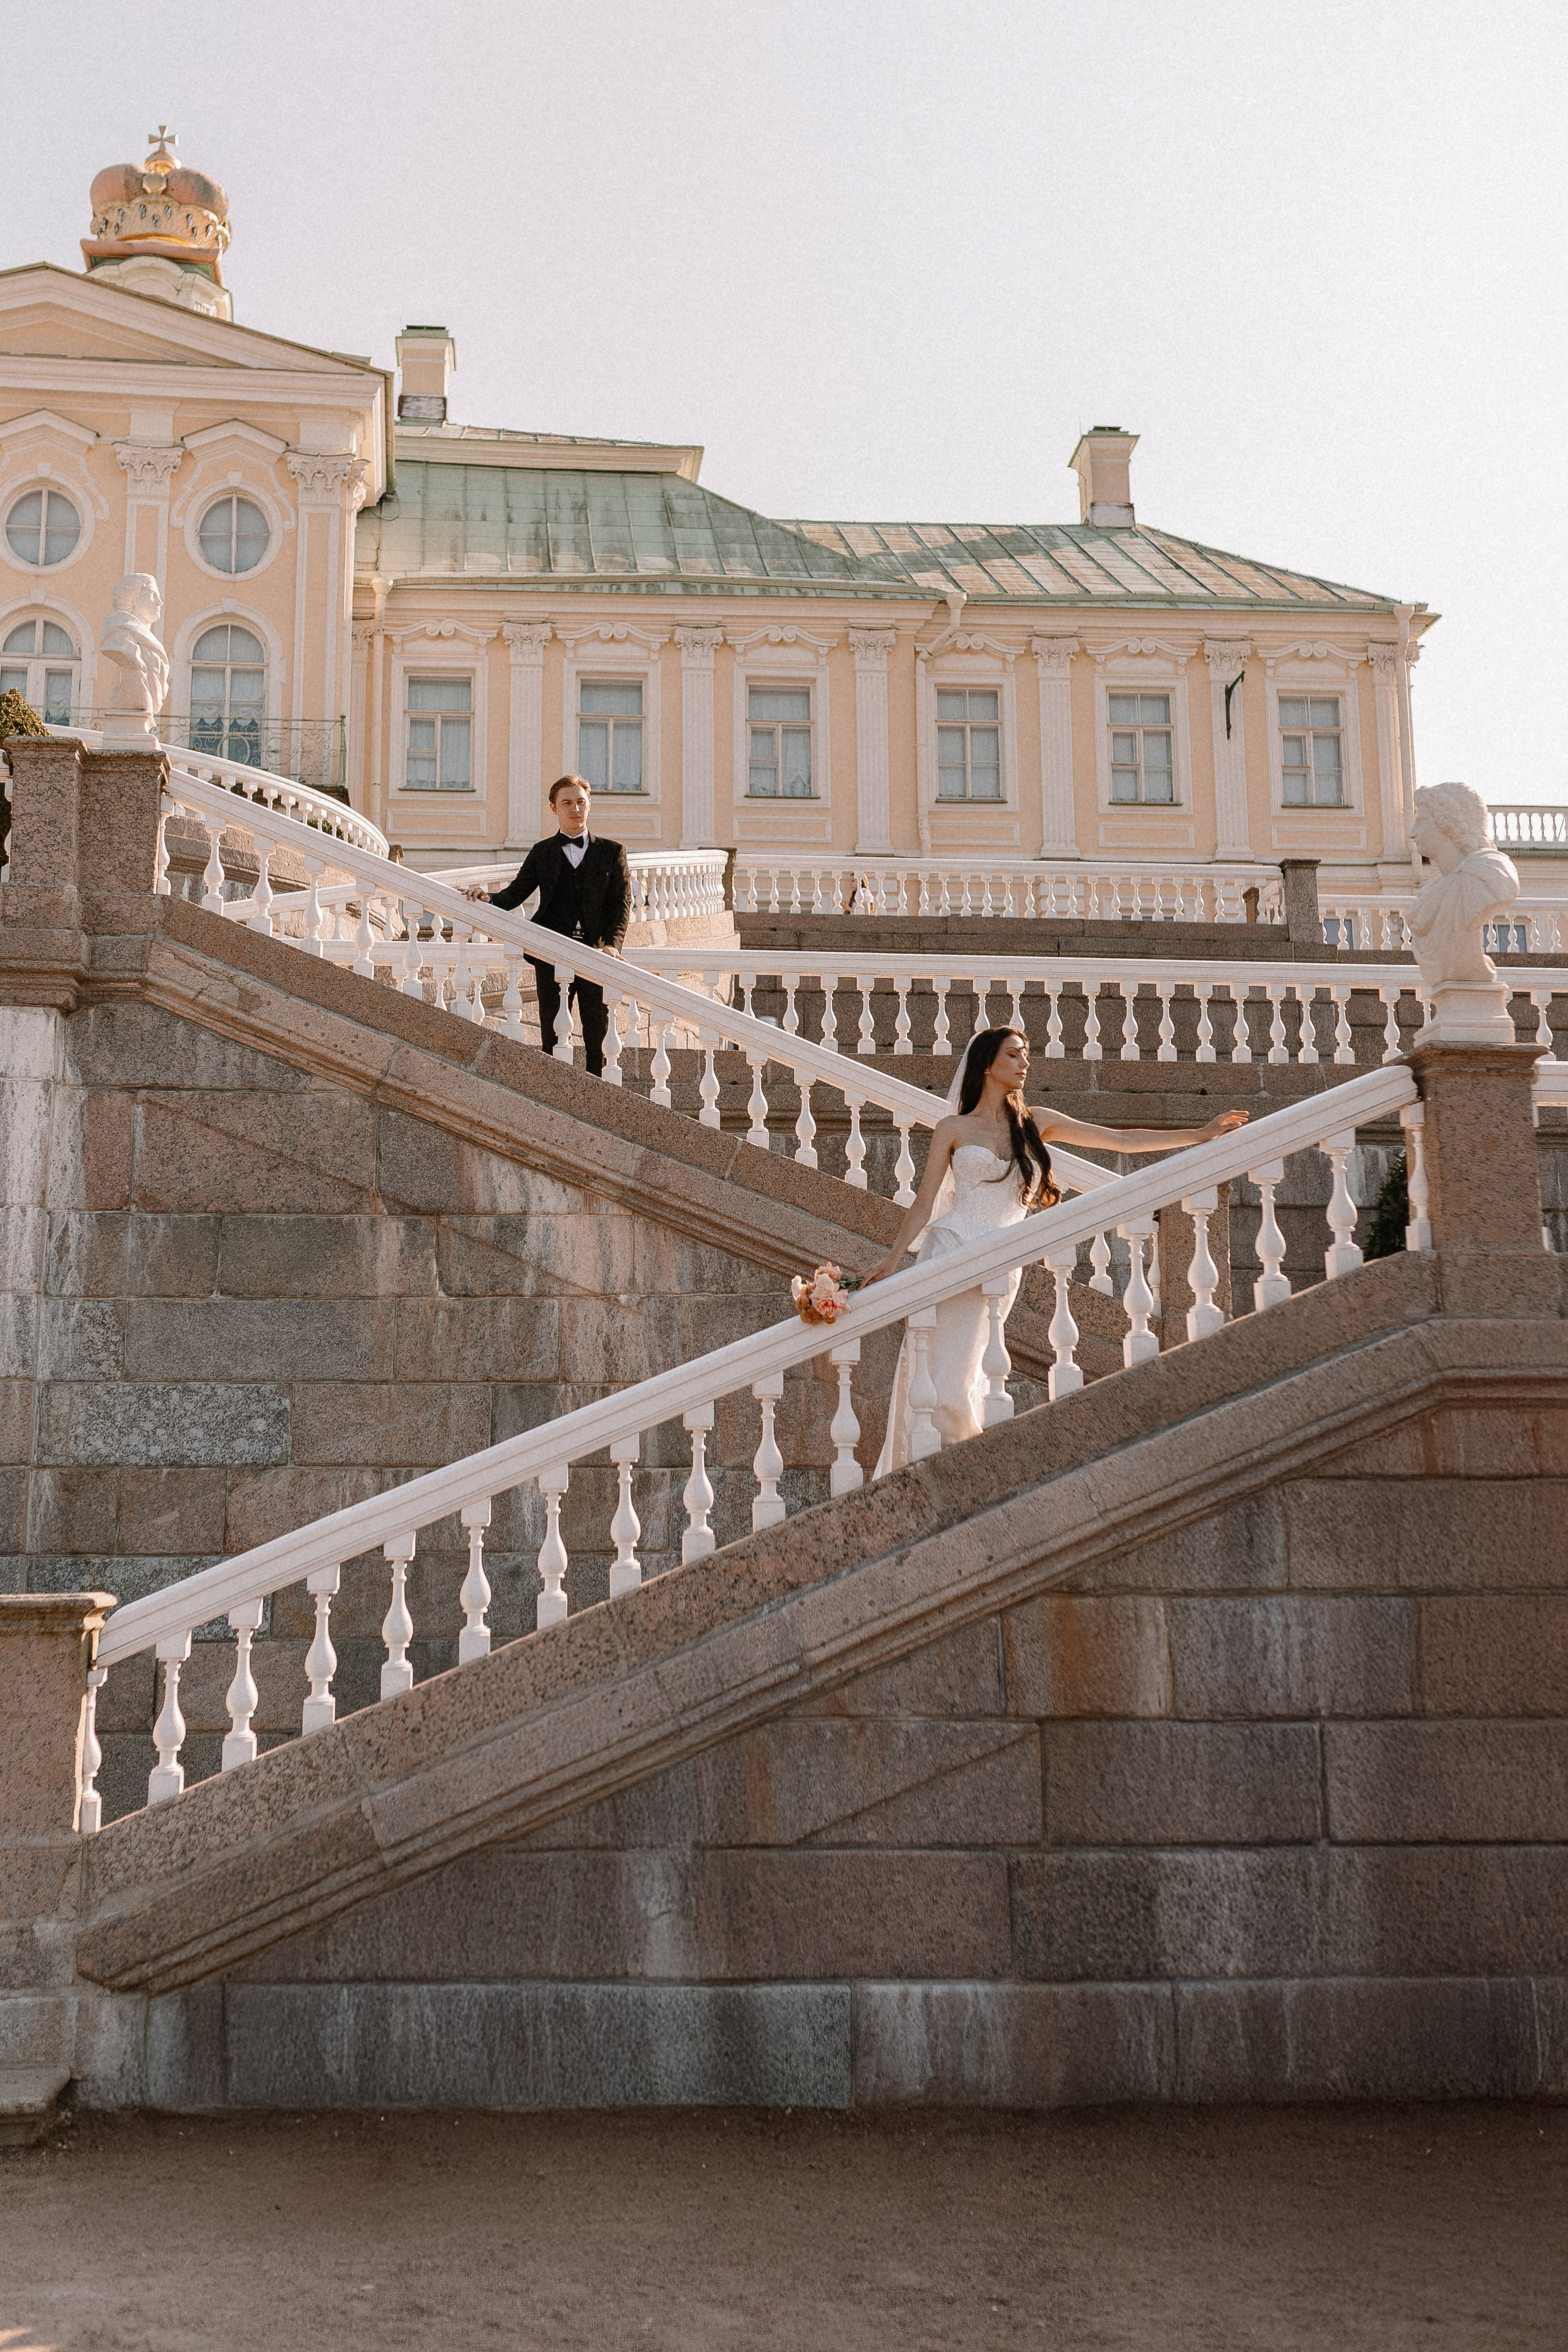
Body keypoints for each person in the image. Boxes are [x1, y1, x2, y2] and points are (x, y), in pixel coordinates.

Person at [862, 1025, 1250, 1476]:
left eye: (1026, 1055)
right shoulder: (953, 1128)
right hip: (948, 1252)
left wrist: (1198, 1135)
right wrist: (893, 1259)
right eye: (1014, 1055)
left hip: (1000, 1264)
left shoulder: (1036, 1121)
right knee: (939, 1380)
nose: (1025, 1063)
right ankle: (938, 1469)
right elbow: (926, 1202)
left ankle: (958, 1469)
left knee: (969, 1374)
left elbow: (1120, 1140)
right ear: (987, 1064)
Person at [466, 774, 630, 1076]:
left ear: (590, 805)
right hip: (550, 953)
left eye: (581, 802)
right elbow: (517, 893)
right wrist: (488, 898)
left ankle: (597, 1102)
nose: (575, 809)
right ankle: (554, 1095)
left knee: (598, 1034)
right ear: (554, 808)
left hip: (596, 955)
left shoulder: (612, 852)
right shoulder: (542, 852)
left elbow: (621, 905)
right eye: (567, 803)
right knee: (552, 1035)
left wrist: (612, 945)